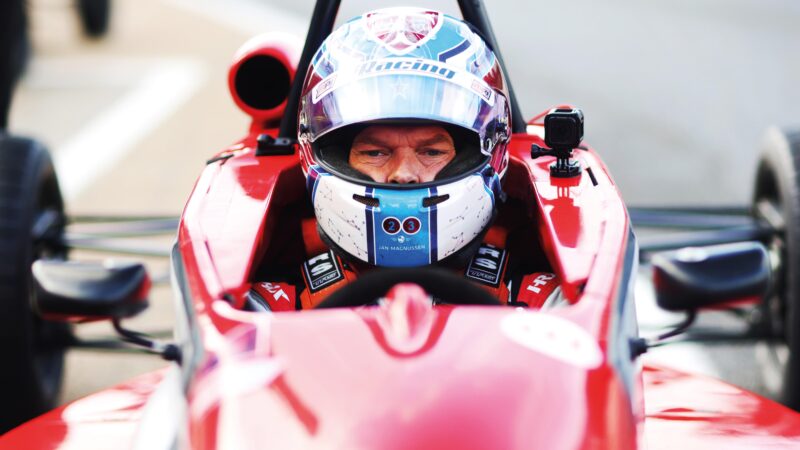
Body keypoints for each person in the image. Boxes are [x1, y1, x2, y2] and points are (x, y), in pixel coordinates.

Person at [248, 7, 561, 310]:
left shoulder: (544, 303)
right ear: (324, 155)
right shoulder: (269, 307)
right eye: (375, 152)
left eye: (431, 152)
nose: (404, 174)